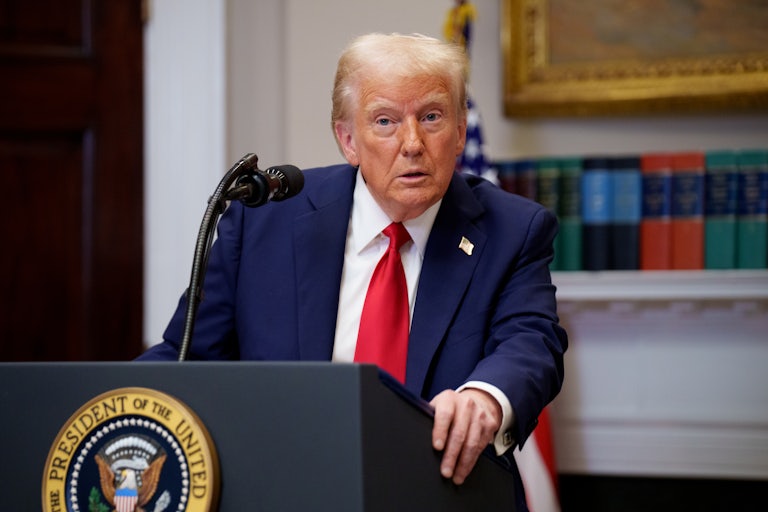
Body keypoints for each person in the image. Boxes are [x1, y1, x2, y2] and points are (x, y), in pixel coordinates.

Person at [138, 32, 567, 510]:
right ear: (348, 140)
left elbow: (532, 343)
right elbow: (185, 360)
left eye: (431, 117)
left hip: (444, 494)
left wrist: (485, 399)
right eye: (385, 121)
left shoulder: (513, 230)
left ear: (461, 128)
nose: (412, 144)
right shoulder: (263, 223)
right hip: (286, 493)